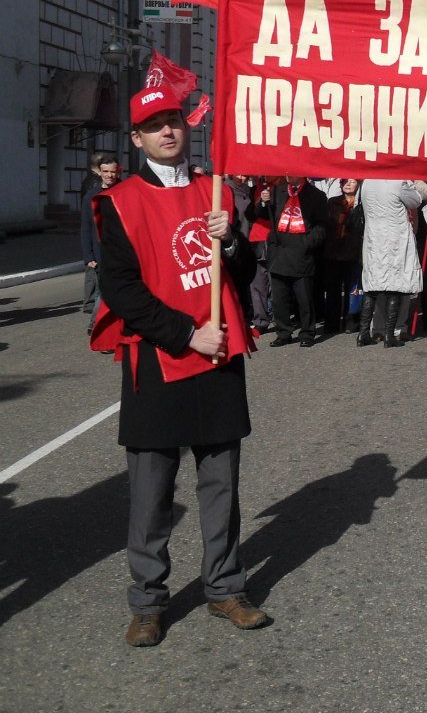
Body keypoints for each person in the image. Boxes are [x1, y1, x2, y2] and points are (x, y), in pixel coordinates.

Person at [92, 86, 268, 647]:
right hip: (160, 358)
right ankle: (148, 600)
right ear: (138, 138)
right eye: (155, 125)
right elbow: (121, 291)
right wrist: (188, 333)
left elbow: (241, 279)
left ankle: (224, 587)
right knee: (151, 492)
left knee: (221, 483)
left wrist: (233, 242)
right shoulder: (119, 201)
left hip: (217, 359)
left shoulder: (214, 191)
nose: (168, 131)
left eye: (174, 121)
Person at [251, 176, 327, 347]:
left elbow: (322, 226)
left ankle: (307, 332)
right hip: (279, 251)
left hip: (301, 253)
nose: (288, 173)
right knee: (279, 298)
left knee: (304, 297)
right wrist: (263, 202)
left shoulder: (316, 195)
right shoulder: (277, 190)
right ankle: (283, 332)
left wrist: (307, 243)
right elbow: (262, 215)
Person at [357, 179, 421, 348]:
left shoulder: (367, 183)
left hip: (374, 237)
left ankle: (364, 333)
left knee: (372, 286)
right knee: (395, 285)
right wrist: (410, 183)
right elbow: (416, 200)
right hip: (394, 237)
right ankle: (390, 334)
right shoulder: (398, 183)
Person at [81, 153, 121, 323]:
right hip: (100, 251)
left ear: (118, 172)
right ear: (100, 172)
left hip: (121, 250)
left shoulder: (124, 190)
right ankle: (96, 325)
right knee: (103, 291)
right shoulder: (91, 196)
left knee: (118, 290)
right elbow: (86, 227)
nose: (109, 175)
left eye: (112, 172)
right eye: (105, 171)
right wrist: (88, 256)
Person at [323, 179, 363, 334]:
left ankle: (351, 321)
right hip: (334, 251)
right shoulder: (332, 203)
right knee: (333, 290)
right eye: (345, 181)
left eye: (352, 181)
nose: (348, 184)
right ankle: (332, 323)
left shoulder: (361, 204)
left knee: (353, 289)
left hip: (353, 251)